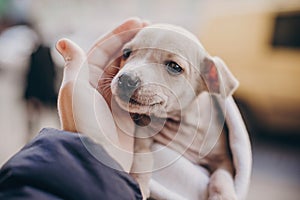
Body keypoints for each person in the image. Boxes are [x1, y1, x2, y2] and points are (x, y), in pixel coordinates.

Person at [0, 18, 147, 200]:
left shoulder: (37, 51)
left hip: (36, 93)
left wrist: (89, 153)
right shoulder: (40, 51)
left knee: (35, 117)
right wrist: (98, 157)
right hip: (40, 93)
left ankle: (31, 129)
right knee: (38, 117)